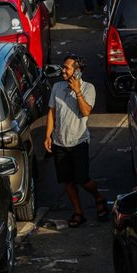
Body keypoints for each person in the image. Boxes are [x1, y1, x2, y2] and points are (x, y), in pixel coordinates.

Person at [44, 55, 108, 227]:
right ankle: (78, 212)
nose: (63, 70)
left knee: (82, 178)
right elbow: (51, 112)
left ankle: (98, 197)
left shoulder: (89, 88)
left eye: (67, 68)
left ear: (77, 72)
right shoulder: (57, 87)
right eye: (63, 67)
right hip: (60, 142)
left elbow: (86, 112)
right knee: (68, 181)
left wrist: (77, 91)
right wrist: (48, 135)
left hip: (78, 141)